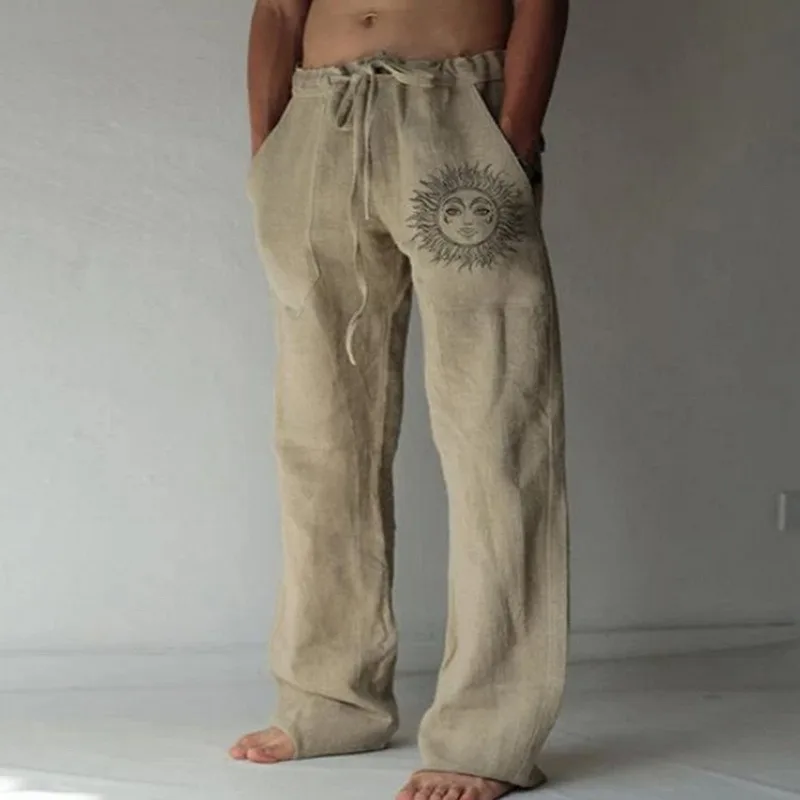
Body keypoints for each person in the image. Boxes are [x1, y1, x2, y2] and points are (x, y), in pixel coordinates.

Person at [230, 1, 570, 798]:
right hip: (318, 122)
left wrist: (513, 133)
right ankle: (328, 701)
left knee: (497, 431)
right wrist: (270, 144)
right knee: (320, 436)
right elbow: (279, 7)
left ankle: (487, 734)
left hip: (456, 117)